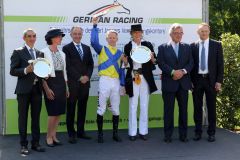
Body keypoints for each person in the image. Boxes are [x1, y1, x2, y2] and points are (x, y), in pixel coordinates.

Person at [10, 28, 45, 156]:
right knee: (23, 118)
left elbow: (41, 70)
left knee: (36, 118)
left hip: (37, 90)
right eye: (29, 36)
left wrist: (44, 74)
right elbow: (13, 71)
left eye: (34, 36)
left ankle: (35, 143)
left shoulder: (40, 53)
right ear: (24, 38)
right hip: (23, 91)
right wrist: (26, 70)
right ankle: (23, 145)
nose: (32, 38)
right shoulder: (18, 52)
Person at [91, 17, 125, 143]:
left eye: (114, 37)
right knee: (101, 108)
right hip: (104, 81)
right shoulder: (102, 50)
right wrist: (95, 26)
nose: (112, 39)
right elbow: (94, 42)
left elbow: (122, 70)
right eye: (109, 37)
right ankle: (100, 134)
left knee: (115, 108)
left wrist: (122, 84)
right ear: (106, 39)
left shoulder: (121, 53)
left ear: (117, 39)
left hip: (116, 82)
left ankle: (115, 134)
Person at [157, 23, 193, 143]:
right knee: (168, 111)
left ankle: (183, 135)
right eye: (176, 33)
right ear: (171, 34)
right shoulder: (162, 48)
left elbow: (191, 63)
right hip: (169, 83)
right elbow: (161, 63)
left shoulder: (187, 47)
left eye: (180, 33)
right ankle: (168, 135)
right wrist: (173, 72)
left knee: (183, 110)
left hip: (183, 84)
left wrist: (182, 71)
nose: (179, 35)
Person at [190, 23, 224, 142]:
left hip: (211, 81)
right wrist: (190, 81)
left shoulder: (217, 45)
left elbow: (220, 65)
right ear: (198, 32)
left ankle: (211, 133)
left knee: (211, 108)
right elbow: (190, 65)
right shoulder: (192, 46)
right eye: (201, 31)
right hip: (197, 80)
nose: (204, 33)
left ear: (209, 31)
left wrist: (219, 81)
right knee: (197, 108)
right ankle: (198, 132)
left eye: (205, 31)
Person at [124, 24, 158, 141]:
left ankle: (143, 131)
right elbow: (127, 65)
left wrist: (153, 59)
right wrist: (125, 62)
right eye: (135, 32)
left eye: (139, 32)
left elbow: (154, 61)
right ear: (131, 34)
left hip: (145, 77)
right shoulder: (128, 46)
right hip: (134, 76)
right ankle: (132, 132)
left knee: (144, 104)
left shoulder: (148, 45)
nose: (137, 34)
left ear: (142, 33)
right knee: (133, 104)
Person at [63, 26, 94, 144]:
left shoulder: (86, 48)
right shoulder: (66, 48)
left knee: (82, 109)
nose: (77, 36)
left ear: (82, 34)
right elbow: (68, 66)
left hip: (85, 84)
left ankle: (81, 132)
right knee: (70, 109)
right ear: (71, 35)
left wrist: (87, 77)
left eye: (79, 34)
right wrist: (79, 77)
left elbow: (90, 64)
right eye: (75, 34)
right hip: (73, 85)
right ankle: (71, 133)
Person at [41, 28, 69, 147]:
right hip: (50, 82)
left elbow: (64, 72)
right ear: (52, 38)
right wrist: (46, 88)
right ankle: (48, 136)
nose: (61, 38)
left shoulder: (62, 53)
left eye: (61, 36)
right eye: (59, 36)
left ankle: (54, 136)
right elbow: (41, 73)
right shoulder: (43, 52)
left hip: (61, 83)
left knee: (58, 112)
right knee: (52, 112)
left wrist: (67, 87)